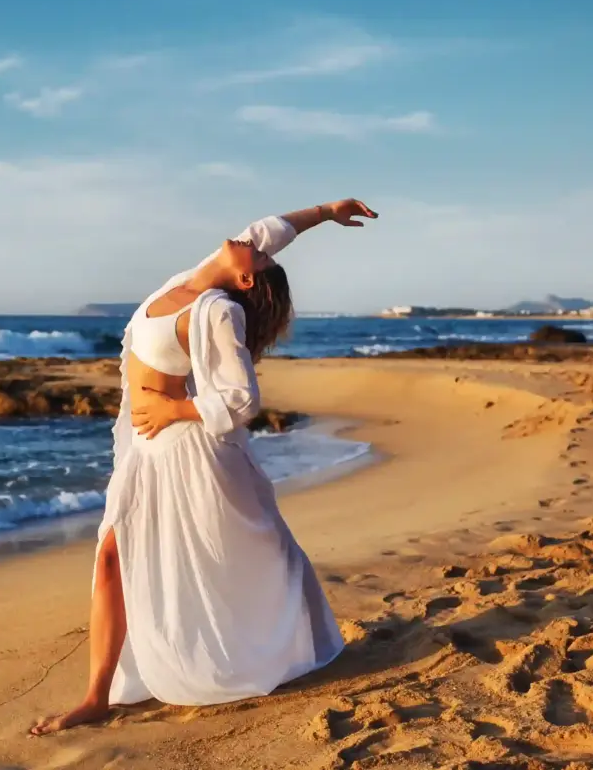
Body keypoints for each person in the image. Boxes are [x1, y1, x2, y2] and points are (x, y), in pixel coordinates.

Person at [30, 199, 379, 735]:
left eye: (258, 256)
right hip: (144, 454)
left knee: (246, 550)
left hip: (185, 452)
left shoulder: (217, 309)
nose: (255, 244)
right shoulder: (192, 277)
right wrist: (328, 211)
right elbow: (272, 230)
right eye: (257, 247)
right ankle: (97, 695)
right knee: (110, 560)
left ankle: (287, 639)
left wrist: (175, 407)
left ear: (244, 276)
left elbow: (241, 399)